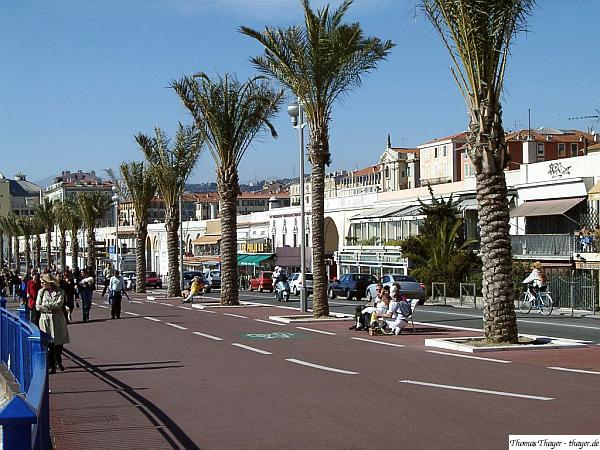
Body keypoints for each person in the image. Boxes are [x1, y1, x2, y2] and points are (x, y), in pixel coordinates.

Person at [36, 273, 70, 373]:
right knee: (49, 343)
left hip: (57, 320)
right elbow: (37, 306)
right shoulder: (41, 292)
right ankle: (52, 366)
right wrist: (49, 308)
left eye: (43, 282)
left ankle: (58, 360)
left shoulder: (60, 292)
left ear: (49, 282)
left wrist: (45, 305)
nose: (41, 284)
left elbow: (58, 305)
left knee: (59, 342)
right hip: (45, 320)